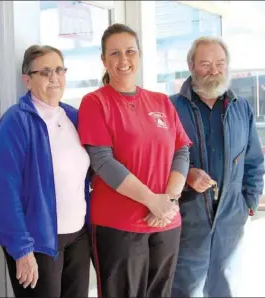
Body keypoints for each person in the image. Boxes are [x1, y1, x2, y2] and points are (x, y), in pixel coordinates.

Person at [77, 23, 192, 298]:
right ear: (104, 60)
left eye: (130, 51)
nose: (123, 60)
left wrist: (169, 200)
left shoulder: (161, 102)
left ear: (139, 55)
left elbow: (182, 151)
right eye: (114, 54)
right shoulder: (95, 102)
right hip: (118, 225)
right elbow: (103, 161)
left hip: (166, 221)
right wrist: (153, 200)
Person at [0, 44, 91, 297]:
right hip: (37, 240)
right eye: (45, 72)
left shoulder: (73, 117)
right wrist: (21, 249)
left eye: (59, 70)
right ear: (27, 79)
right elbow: (6, 191)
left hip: (77, 235)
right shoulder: (16, 120)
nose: (54, 78)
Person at [170, 36, 265, 297]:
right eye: (206, 64)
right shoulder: (171, 107)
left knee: (225, 286)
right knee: (184, 289)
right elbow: (158, 161)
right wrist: (186, 175)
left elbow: (254, 161)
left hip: (230, 218)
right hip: (187, 218)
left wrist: (249, 201)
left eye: (220, 63)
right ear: (191, 66)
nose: (214, 71)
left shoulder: (241, 107)